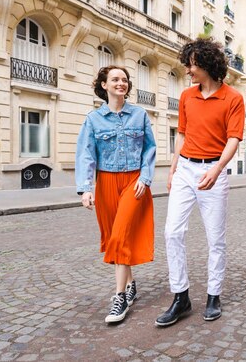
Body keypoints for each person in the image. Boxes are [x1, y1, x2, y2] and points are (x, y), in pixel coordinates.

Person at [155, 38, 245, 327]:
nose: (188, 69)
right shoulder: (186, 96)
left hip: (213, 172)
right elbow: (180, 135)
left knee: (215, 238)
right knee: (171, 233)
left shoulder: (233, 98)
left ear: (207, 64)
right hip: (185, 170)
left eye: (192, 64)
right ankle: (181, 296)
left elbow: (233, 140)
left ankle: (213, 295)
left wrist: (217, 170)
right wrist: (172, 170)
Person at [76, 65, 157, 324]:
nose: (121, 83)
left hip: (134, 182)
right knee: (113, 237)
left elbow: (150, 149)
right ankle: (131, 284)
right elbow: (86, 155)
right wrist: (86, 188)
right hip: (106, 182)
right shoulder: (93, 119)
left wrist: (145, 177)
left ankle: (119, 297)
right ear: (104, 85)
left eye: (124, 80)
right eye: (115, 80)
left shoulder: (139, 115)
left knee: (121, 235)